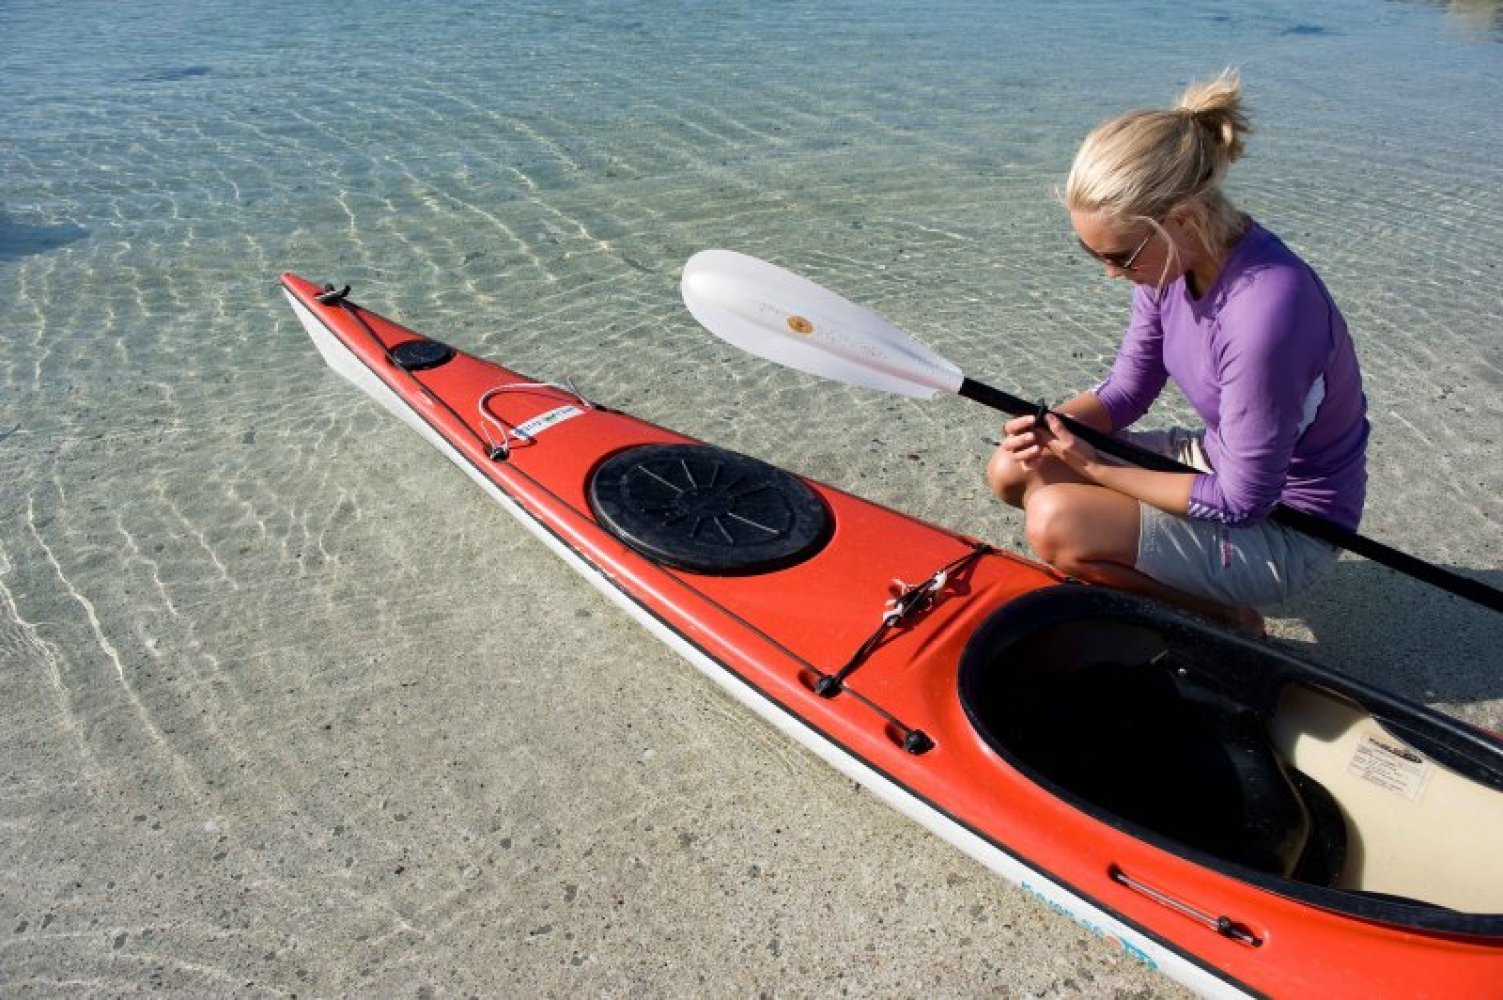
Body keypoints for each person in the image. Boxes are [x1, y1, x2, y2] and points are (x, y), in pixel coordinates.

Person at [987, 71, 1369, 637]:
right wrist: (1049, 428)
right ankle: (1154, 570)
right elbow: (1127, 391)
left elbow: (1242, 500)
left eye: (1119, 256)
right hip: (1217, 463)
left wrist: (1095, 467)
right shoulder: (1169, 262)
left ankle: (1227, 618)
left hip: (1287, 527)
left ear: (1182, 219)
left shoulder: (1266, 314)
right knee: (1015, 469)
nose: (1113, 275)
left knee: (1056, 522)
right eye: (1093, 255)